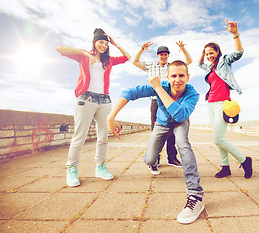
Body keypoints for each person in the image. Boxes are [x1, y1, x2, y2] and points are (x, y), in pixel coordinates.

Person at [107, 60, 204, 224]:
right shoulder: (164, 85)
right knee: (150, 159)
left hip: (180, 121)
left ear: (188, 77)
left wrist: (158, 88)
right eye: (173, 76)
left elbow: (180, 115)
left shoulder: (192, 94)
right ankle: (154, 161)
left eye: (181, 75)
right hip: (161, 123)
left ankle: (195, 194)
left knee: (182, 143)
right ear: (168, 76)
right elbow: (130, 92)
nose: (177, 80)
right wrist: (111, 116)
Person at [56, 28, 131, 187]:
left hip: (104, 101)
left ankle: (100, 167)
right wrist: (84, 54)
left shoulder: (108, 60)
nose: (103, 45)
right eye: (100, 42)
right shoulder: (83, 55)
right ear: (94, 42)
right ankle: (72, 168)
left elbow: (128, 57)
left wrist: (115, 43)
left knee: (103, 137)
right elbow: (60, 49)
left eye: (105, 43)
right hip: (85, 99)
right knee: (80, 136)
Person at [198, 19, 253, 179]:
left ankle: (244, 160)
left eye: (211, 53)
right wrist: (202, 53)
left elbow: (238, 53)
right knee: (219, 139)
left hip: (223, 104)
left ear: (217, 52)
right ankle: (225, 167)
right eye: (207, 53)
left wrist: (235, 34)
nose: (209, 56)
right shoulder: (209, 67)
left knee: (218, 138)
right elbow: (199, 64)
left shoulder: (224, 61)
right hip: (211, 104)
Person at [132, 41, 193, 173]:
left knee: (172, 129)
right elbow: (135, 61)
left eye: (165, 54)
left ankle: (172, 157)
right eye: (161, 54)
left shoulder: (173, 67)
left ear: (168, 56)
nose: (163, 56)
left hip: (171, 101)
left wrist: (182, 49)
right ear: (158, 55)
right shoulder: (151, 66)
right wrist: (142, 48)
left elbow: (189, 60)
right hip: (156, 100)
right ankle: (155, 159)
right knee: (156, 129)